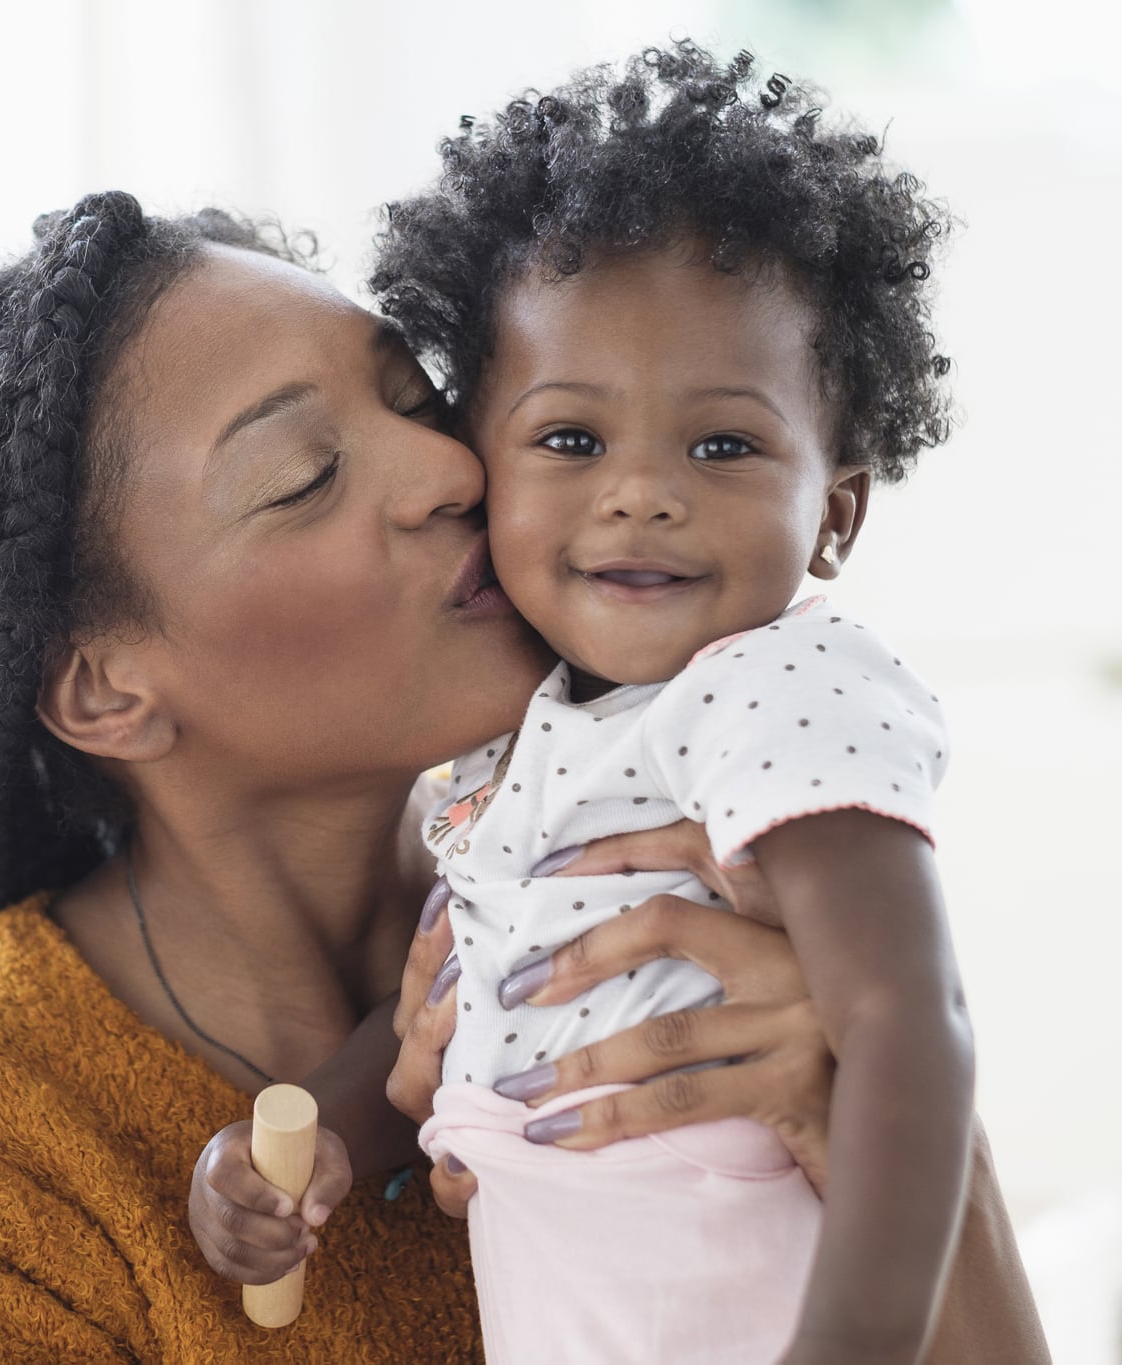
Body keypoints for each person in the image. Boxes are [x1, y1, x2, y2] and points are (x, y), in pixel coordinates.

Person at [0, 180, 1048, 1358]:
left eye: (423, 401)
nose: (450, 470)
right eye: (304, 476)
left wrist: (848, 1119)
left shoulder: (672, 885)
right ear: (104, 690)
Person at [195, 44, 975, 1364]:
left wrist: (853, 1342)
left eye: (722, 445)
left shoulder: (777, 685)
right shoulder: (504, 738)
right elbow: (465, 998)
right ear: (481, 470)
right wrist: (306, 1137)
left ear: (832, 512)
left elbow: (906, 1026)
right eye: (571, 440)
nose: (640, 492)